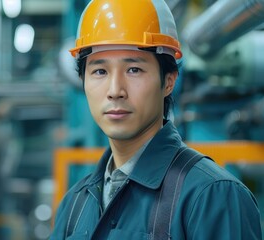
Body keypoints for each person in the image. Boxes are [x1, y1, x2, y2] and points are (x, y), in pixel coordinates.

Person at [51, 0, 262, 239]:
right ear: (83, 82)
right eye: (100, 71)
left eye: (134, 70)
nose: (115, 90)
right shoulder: (75, 205)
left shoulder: (212, 198)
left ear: (169, 81)